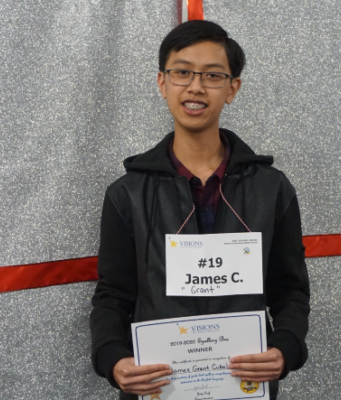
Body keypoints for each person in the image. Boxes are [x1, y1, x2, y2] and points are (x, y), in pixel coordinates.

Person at [90, 20, 310, 400]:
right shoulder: (127, 193)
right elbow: (113, 295)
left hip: (243, 387)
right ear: (162, 82)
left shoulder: (272, 188)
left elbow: (290, 289)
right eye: (182, 72)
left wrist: (284, 349)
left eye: (212, 75)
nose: (195, 86)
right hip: (159, 387)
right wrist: (113, 359)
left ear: (232, 89)